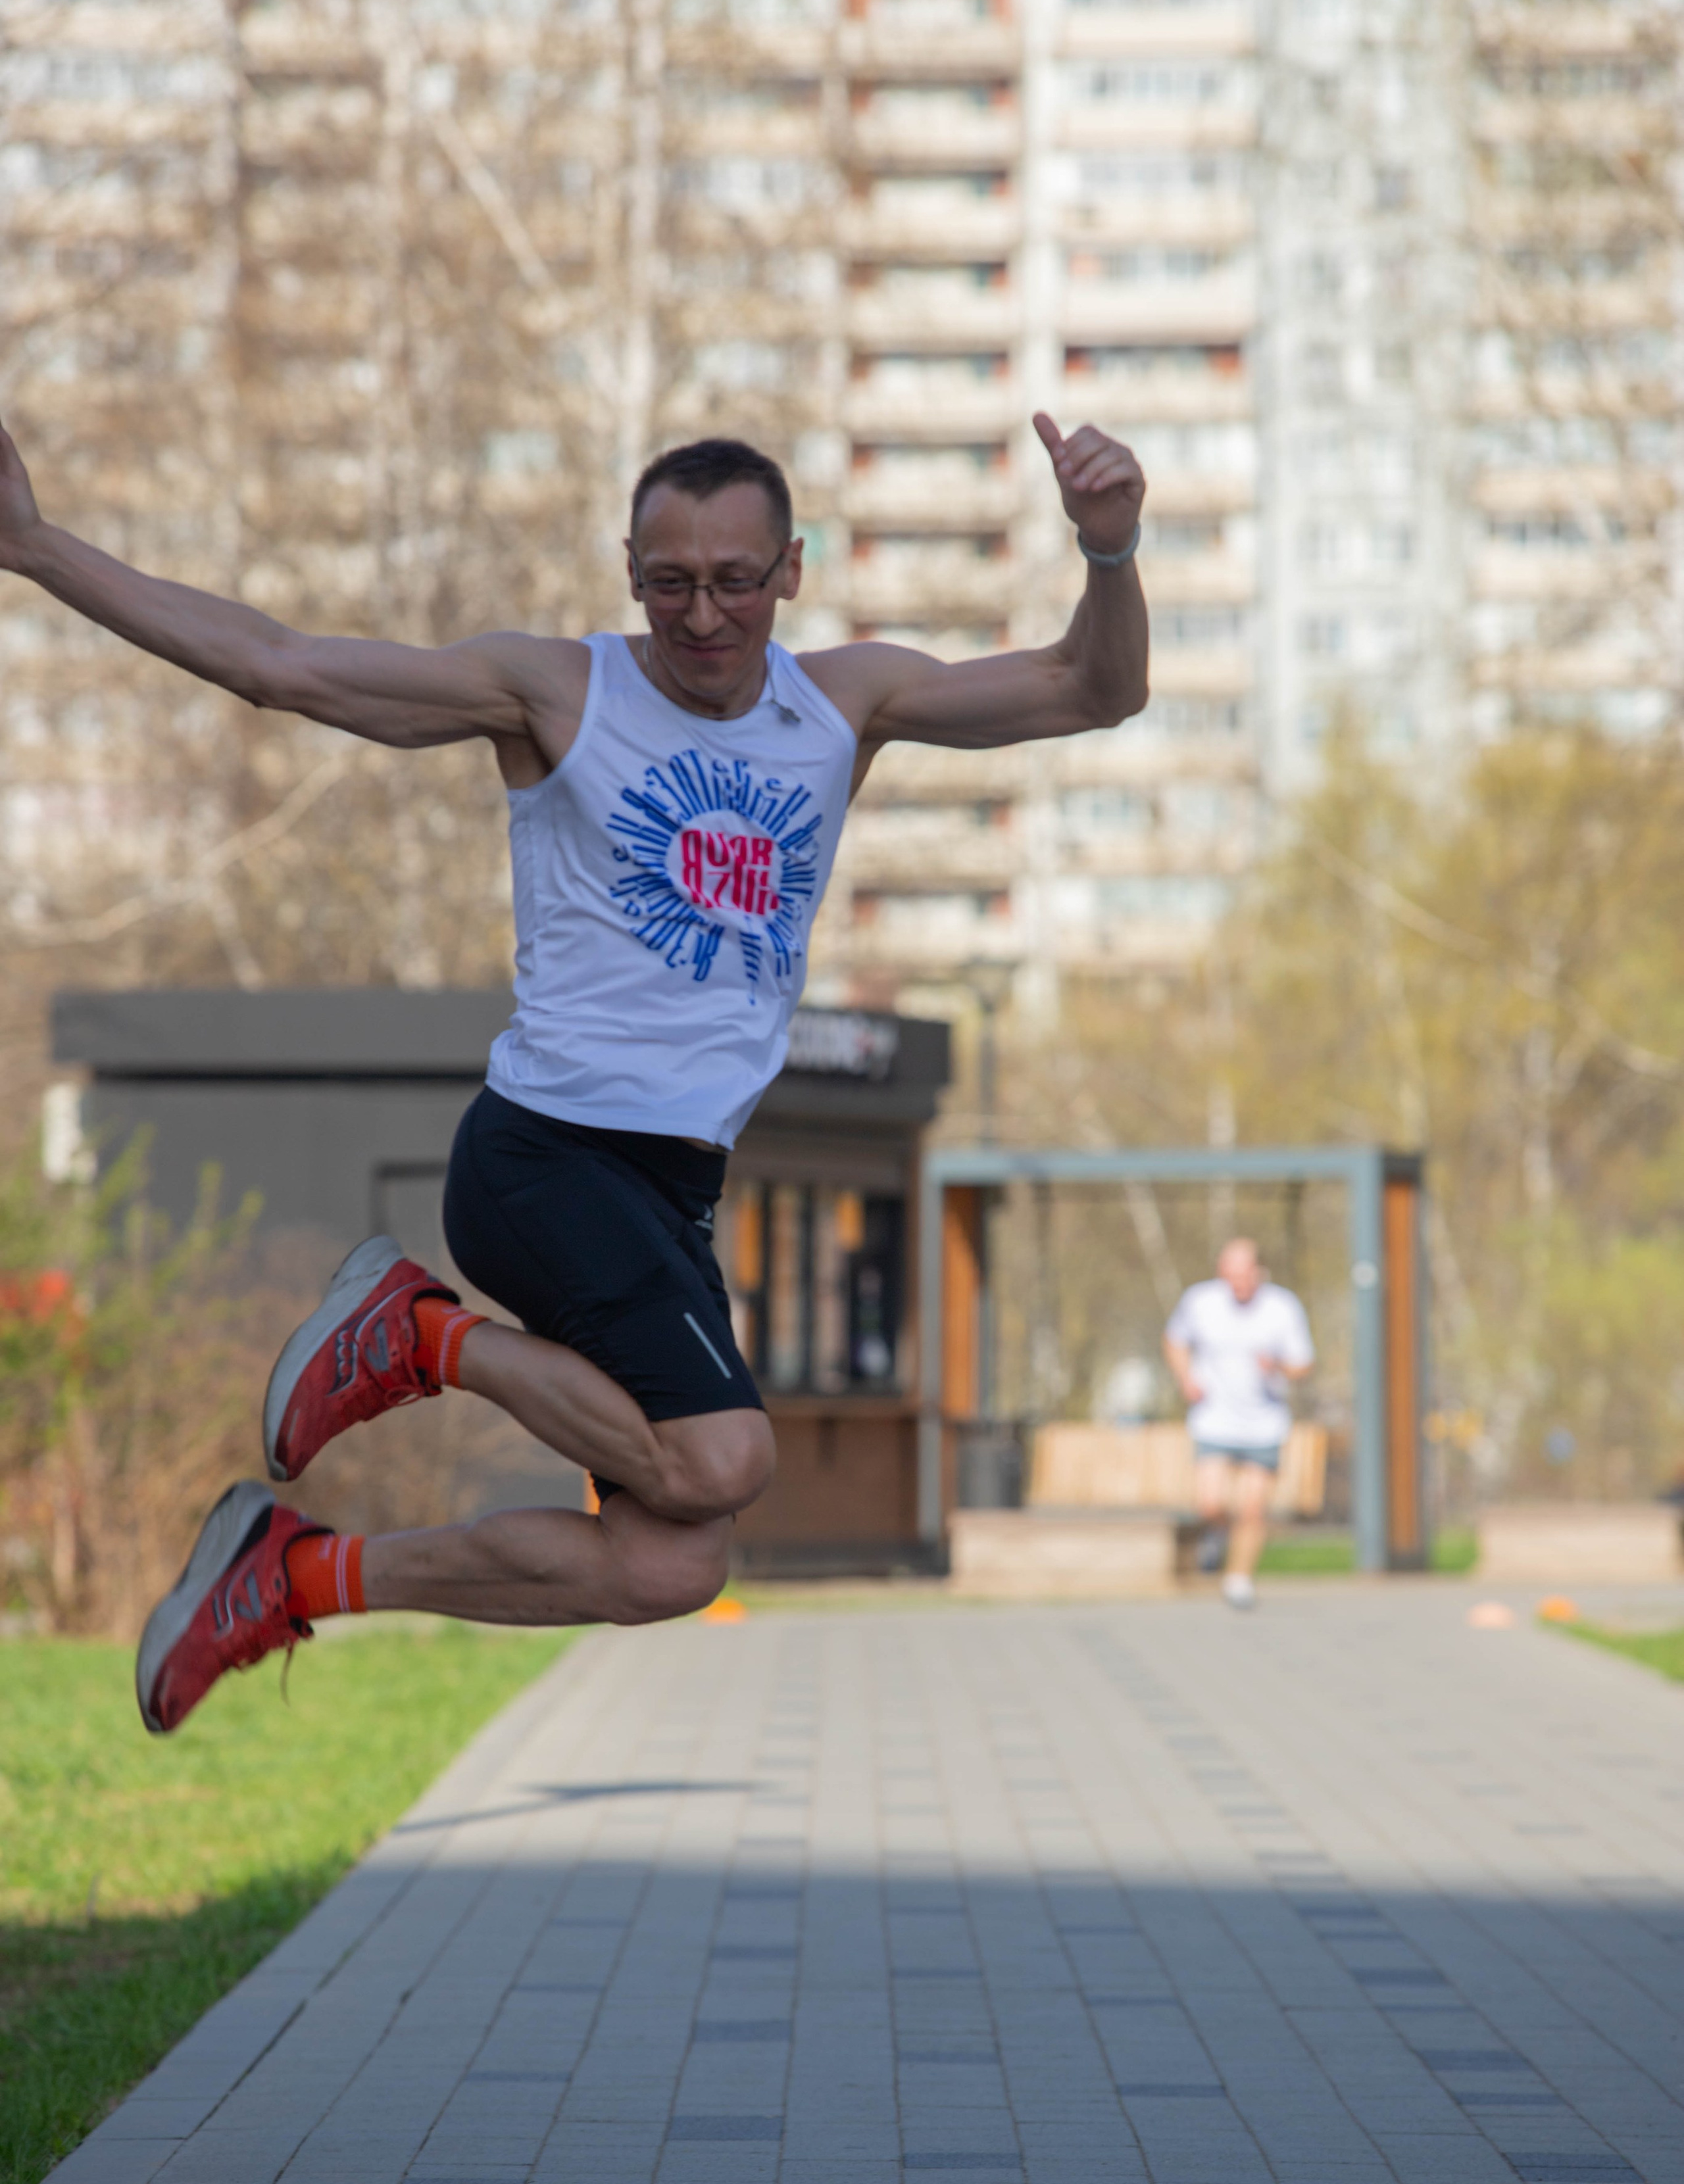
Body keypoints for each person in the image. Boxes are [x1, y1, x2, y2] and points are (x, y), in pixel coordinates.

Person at [0, 412, 1149, 1732]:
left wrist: (1106, 552)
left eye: (733, 581)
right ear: (627, 569)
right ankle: (413, 1331)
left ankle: (298, 1574)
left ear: (790, 570)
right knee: (728, 1455)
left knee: (670, 1560)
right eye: (669, 582)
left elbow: (1090, 690)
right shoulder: (557, 695)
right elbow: (281, 666)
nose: (702, 616)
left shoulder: (843, 704)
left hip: (672, 1189)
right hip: (546, 1152)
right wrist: (33, 548)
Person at [1163, 1237, 1315, 1611]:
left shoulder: (1282, 1307)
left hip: (1263, 1423)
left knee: (1252, 1509)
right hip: (1213, 1419)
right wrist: (1186, 1378)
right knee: (1209, 1503)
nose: (1237, 1283)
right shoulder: (1200, 1301)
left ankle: (1239, 1579)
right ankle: (1217, 1534)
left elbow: (1302, 1364)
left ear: (1259, 1273)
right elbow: (1175, 1341)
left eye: (1244, 1275)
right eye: (1229, 1275)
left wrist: (1277, 1366)